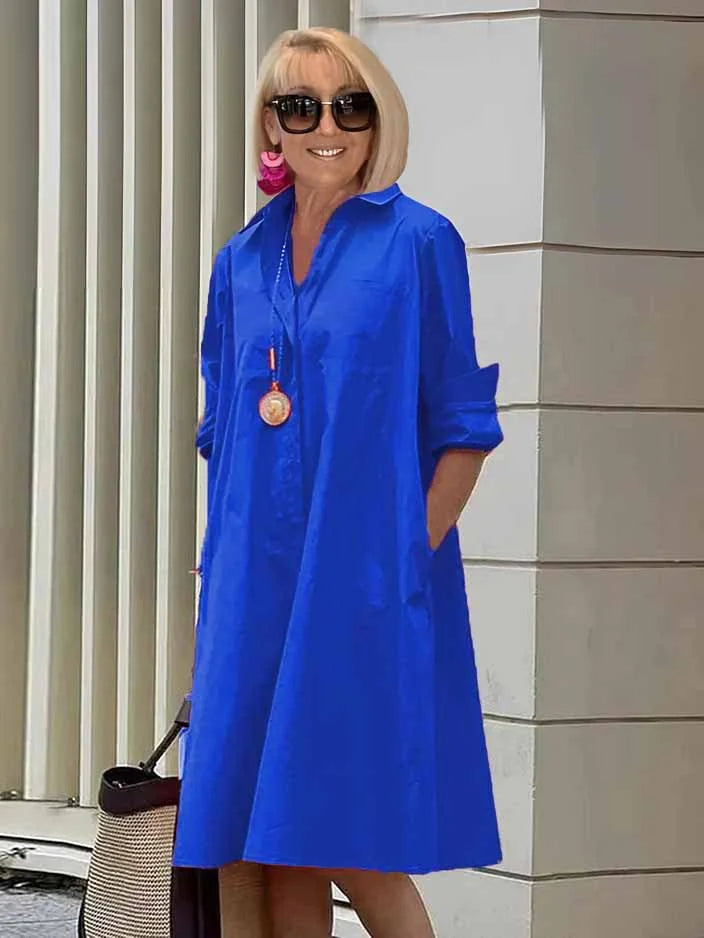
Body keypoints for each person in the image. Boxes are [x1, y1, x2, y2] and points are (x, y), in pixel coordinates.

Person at [172, 26, 504, 938]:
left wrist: (404, 552)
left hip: (361, 586)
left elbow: (464, 427)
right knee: (269, 840)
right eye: (302, 106)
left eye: (349, 106)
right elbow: (223, 430)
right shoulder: (239, 262)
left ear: (376, 119)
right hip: (251, 588)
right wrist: (220, 569)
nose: (327, 127)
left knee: (354, 842)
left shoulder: (418, 243)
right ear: (270, 126)